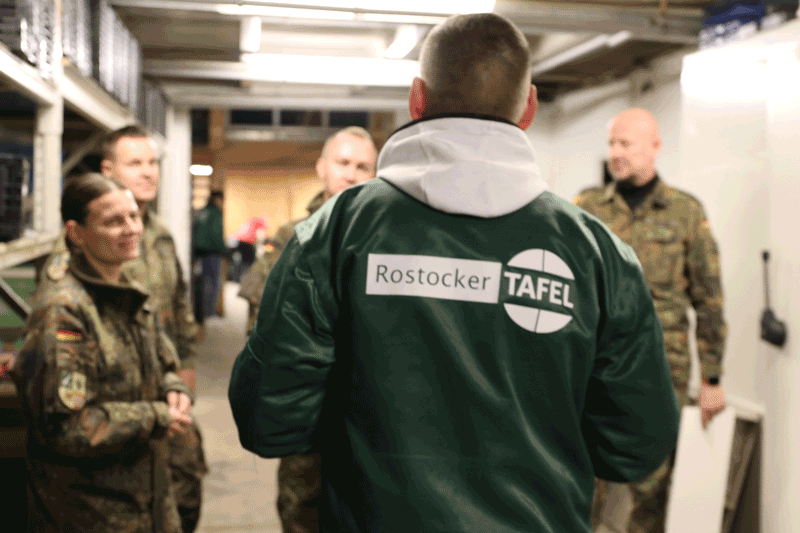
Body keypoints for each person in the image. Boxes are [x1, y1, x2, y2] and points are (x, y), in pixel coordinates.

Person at [229, 13, 680, 533]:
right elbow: (637, 447)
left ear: (416, 99)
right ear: (529, 107)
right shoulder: (600, 255)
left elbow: (269, 423)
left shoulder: (333, 234)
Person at [39, 126, 207, 533]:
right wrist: (153, 412)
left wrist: (179, 377)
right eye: (136, 163)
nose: (149, 172)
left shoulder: (159, 235)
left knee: (184, 485)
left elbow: (176, 306)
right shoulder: (76, 275)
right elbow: (71, 418)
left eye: (153, 163)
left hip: (155, 400)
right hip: (112, 440)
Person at [574, 108, 727, 533]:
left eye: (626, 144)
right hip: (594, 364)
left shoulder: (685, 212)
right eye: (611, 144)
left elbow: (709, 299)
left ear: (655, 147)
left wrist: (712, 378)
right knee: (585, 476)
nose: (615, 154)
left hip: (662, 368)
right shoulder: (587, 208)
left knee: (653, 481)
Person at [236, 125, 377, 533]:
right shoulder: (293, 238)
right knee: (303, 515)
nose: (351, 175)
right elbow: (265, 333)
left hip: (371, 423)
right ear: (322, 168)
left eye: (362, 166)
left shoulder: (387, 239)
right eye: (343, 163)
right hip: (311, 421)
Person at [192, 191, 227, 323]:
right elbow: (216, 234)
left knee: (202, 282)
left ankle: (202, 312)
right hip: (212, 253)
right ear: (217, 200)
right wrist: (225, 251)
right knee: (212, 283)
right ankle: (209, 313)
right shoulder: (215, 213)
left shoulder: (202, 212)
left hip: (198, 252)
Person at [231, 216, 268, 282]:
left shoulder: (250, 222)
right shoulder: (261, 223)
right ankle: (246, 280)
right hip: (248, 242)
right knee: (249, 262)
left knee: (242, 262)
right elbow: (260, 236)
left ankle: (238, 279)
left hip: (239, 241)